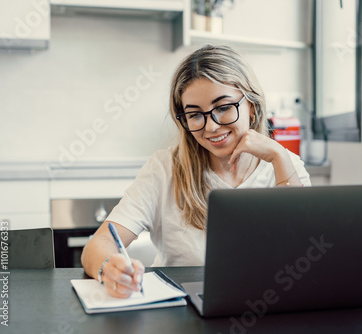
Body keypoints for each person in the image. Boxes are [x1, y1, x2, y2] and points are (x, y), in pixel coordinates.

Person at [81, 45, 311, 298]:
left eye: (223, 107)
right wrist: (108, 268)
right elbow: (99, 244)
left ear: (252, 106)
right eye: (194, 114)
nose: (210, 126)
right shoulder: (164, 168)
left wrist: (279, 155)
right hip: (179, 310)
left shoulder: (285, 164)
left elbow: (302, 255)